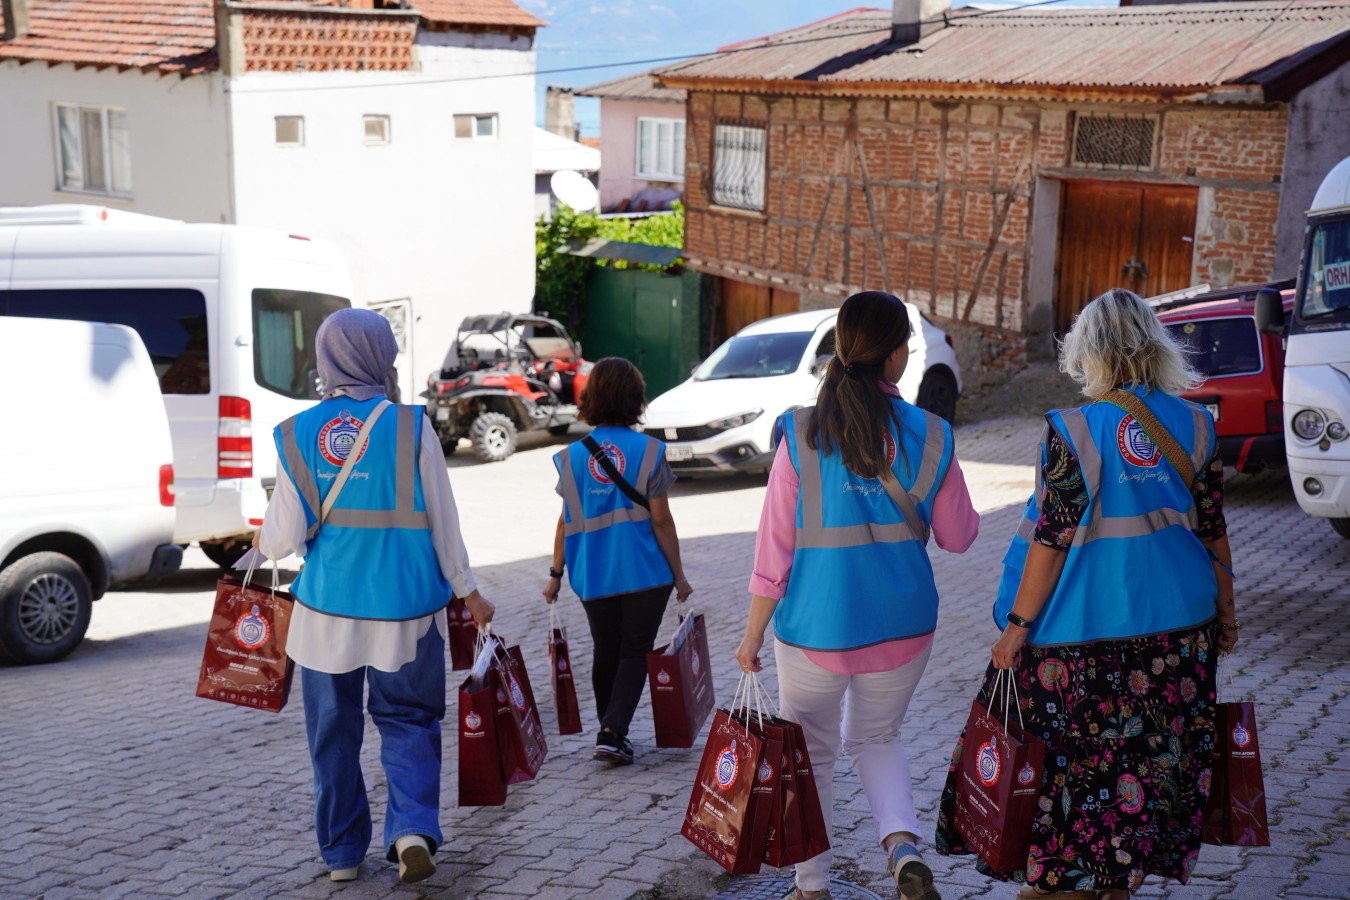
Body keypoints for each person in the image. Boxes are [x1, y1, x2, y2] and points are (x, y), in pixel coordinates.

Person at [934, 288, 1240, 899]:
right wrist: (1227, 615)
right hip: (1178, 637)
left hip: (1081, 646)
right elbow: (1213, 530)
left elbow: (1052, 538)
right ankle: (1113, 882)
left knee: (1074, 789)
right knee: (1146, 777)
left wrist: (1017, 624)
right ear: (1154, 348)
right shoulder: (1198, 423)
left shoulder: (1075, 430)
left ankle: (1057, 888)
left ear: (1089, 354)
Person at [736, 291, 979, 900]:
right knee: (877, 738)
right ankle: (901, 846)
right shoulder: (934, 434)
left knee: (810, 751)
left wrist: (751, 635)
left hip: (814, 632)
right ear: (897, 357)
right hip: (903, 628)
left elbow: (774, 552)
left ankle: (811, 885)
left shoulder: (800, 432)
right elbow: (958, 536)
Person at [253, 308, 494, 884]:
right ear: (381, 355)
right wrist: (470, 591)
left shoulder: (297, 432)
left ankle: (340, 855)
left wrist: (265, 536)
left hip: (324, 613)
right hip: (404, 611)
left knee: (332, 733)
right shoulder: (413, 428)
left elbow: (282, 539)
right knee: (409, 720)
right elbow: (444, 522)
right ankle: (411, 830)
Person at [543, 357, 693, 765]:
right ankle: (612, 732)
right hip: (644, 571)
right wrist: (679, 575)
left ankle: (609, 729)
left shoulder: (572, 456)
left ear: (592, 397)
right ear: (635, 398)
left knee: (606, 650)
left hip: (592, 572)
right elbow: (660, 519)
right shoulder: (649, 451)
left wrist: (556, 574)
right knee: (634, 652)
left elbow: (564, 520)